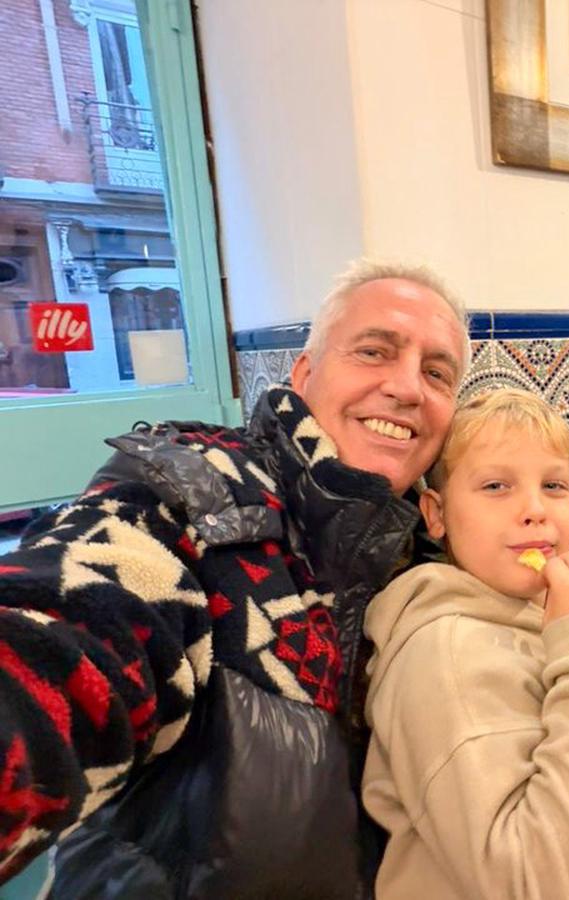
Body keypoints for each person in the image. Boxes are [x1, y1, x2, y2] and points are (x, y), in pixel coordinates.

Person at [0, 258, 470, 898]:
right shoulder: (187, 495)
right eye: (374, 351)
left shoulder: (434, 556)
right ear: (304, 374)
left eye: (436, 372)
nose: (408, 386)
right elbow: (74, 625)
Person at [362, 389, 569, 899]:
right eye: (496, 486)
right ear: (437, 514)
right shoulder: (445, 658)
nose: (536, 509)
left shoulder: (529, 619)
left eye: (554, 485)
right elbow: (533, 881)